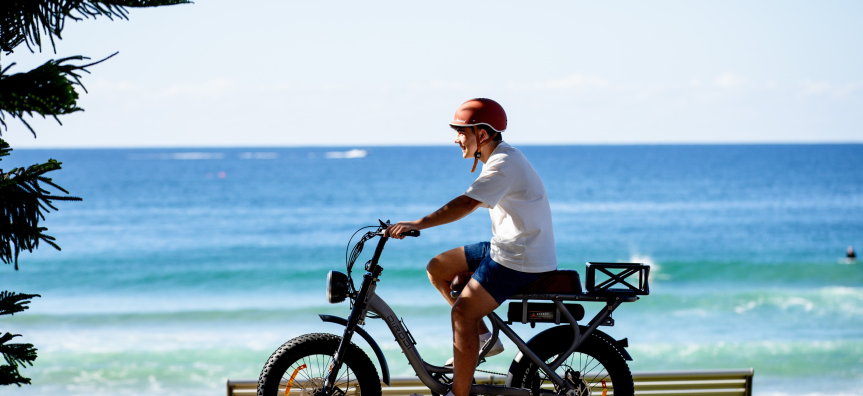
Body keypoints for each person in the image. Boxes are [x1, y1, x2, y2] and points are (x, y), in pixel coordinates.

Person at [385, 98, 557, 396]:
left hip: (520, 258)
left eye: (462, 131)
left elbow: (466, 204)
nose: (456, 138)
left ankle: (458, 394)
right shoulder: (500, 158)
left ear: (483, 134)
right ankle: (483, 336)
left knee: (461, 314)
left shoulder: (504, 164)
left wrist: (417, 224)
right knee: (438, 267)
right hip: (506, 247)